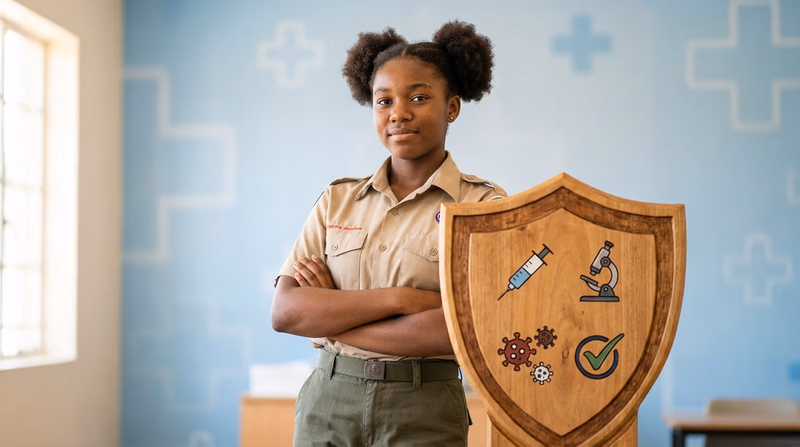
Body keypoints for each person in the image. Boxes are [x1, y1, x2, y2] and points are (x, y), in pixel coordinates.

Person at [271, 20, 507, 447]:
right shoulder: (337, 200)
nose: (398, 112)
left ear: (452, 107)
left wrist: (333, 320)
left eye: (419, 97)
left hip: (424, 405)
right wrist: (400, 300)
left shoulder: (483, 207)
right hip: (328, 401)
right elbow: (286, 313)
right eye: (384, 101)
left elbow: (462, 332)